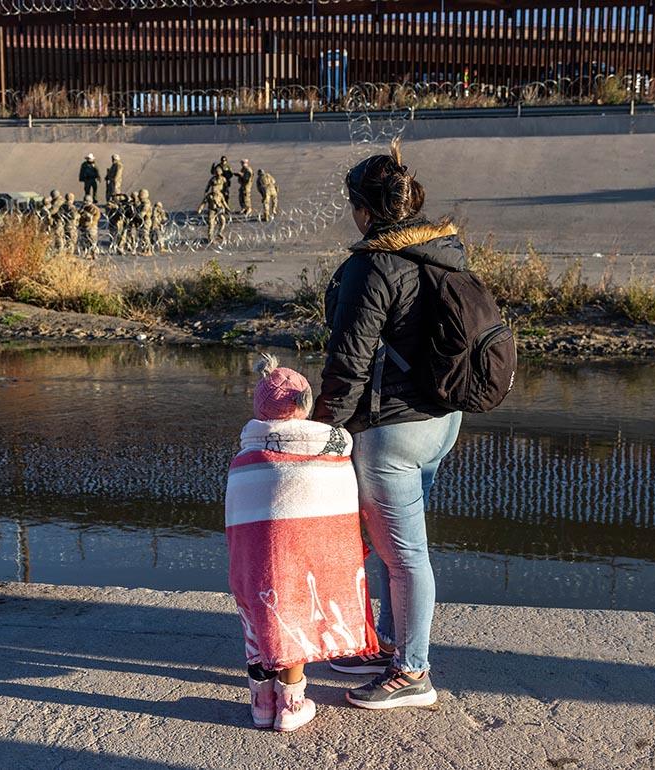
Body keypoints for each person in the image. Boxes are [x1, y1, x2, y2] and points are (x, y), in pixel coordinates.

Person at [313, 138, 464, 710]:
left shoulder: (373, 263)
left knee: (404, 556)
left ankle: (413, 671)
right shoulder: (444, 250)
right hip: (442, 421)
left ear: (365, 208)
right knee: (393, 546)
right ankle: (390, 647)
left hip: (393, 431)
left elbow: (348, 360)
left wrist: (324, 430)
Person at [225, 353, 377, 732]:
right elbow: (338, 506)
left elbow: (236, 513)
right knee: (292, 613)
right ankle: (291, 704)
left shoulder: (245, 456)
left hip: (253, 555)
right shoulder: (333, 447)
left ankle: (262, 704)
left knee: (258, 614)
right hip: (301, 555)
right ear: (305, 405)